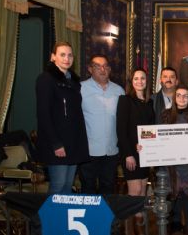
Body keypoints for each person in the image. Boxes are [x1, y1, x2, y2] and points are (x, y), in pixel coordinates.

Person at [36, 41, 89, 194]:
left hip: (73, 143)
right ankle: (48, 219)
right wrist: (56, 143)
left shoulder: (74, 82)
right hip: (57, 144)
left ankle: (63, 219)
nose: (67, 58)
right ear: (53, 57)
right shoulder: (45, 79)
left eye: (70, 55)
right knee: (58, 185)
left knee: (67, 186)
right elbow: (43, 115)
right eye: (62, 54)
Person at [116, 69, 154, 235]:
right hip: (131, 154)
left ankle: (140, 228)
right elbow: (121, 130)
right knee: (134, 191)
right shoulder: (125, 101)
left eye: (143, 78)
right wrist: (128, 154)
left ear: (147, 81)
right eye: (136, 78)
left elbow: (151, 131)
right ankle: (129, 231)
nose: (140, 81)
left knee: (142, 192)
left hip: (145, 154)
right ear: (131, 82)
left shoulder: (149, 103)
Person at [79, 54, 125, 194]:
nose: (102, 69)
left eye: (105, 66)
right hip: (88, 151)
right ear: (90, 69)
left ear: (110, 69)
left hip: (111, 151)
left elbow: (123, 121)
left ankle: (106, 216)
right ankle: (89, 216)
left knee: (109, 188)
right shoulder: (80, 89)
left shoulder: (119, 91)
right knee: (88, 189)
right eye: (97, 66)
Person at [162, 84, 188, 235]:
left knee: (187, 196)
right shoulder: (166, 115)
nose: (182, 98)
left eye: (185, 96)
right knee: (171, 195)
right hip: (172, 164)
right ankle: (168, 228)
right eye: (179, 95)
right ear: (174, 97)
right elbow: (159, 137)